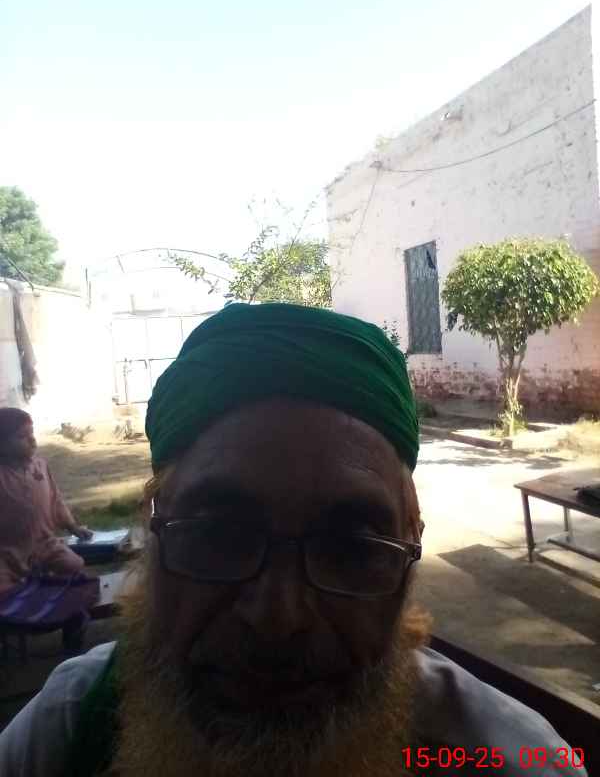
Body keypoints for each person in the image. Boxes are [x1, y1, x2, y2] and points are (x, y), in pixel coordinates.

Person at [0, 305, 586, 777]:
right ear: (152, 530)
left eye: (351, 548)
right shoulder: (69, 726)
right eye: (218, 536)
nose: (276, 620)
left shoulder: (509, 758)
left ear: (410, 550)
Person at [0, 408, 92, 596]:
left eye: (31, 433)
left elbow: (56, 500)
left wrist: (73, 527)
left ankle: (56, 596)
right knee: (5, 591)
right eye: (21, 436)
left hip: (45, 543)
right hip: (8, 550)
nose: (32, 440)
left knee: (73, 565)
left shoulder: (40, 466)